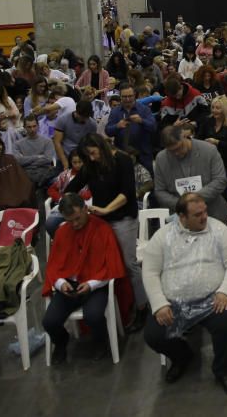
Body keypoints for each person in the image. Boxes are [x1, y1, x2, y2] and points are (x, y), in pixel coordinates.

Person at [142, 192, 227, 393]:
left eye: (205, 211)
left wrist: (226, 291)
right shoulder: (162, 236)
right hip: (174, 303)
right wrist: (159, 303)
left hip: (211, 300)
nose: (204, 217)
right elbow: (150, 270)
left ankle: (223, 369)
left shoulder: (219, 230)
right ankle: (182, 357)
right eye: (197, 215)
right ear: (182, 217)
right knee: (154, 335)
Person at [66, 133, 148, 332]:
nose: (92, 158)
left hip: (123, 218)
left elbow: (126, 193)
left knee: (129, 264)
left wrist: (106, 209)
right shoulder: (91, 165)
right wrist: (77, 206)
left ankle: (142, 307)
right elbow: (72, 187)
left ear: (100, 146)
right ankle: (117, 306)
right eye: (88, 156)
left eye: (93, 153)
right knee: (104, 265)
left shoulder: (122, 160)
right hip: (102, 221)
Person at [41, 193, 127, 364]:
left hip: (96, 283)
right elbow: (53, 265)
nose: (75, 224)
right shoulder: (63, 231)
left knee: (94, 315)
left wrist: (91, 284)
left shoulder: (102, 229)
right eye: (70, 220)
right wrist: (60, 283)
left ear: (86, 209)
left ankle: (100, 342)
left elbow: (112, 266)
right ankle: (61, 343)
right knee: (49, 322)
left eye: (78, 218)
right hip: (70, 285)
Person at [153, 126, 227, 222]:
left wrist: (193, 200)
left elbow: (220, 180)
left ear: (184, 136)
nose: (176, 153)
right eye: (171, 151)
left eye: (179, 147)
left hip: (213, 213)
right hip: (180, 218)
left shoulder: (209, 150)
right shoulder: (161, 159)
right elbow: (160, 191)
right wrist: (182, 204)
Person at [105, 83, 158, 171]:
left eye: (130, 96)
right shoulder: (115, 112)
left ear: (135, 95)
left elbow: (153, 127)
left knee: (148, 182)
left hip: (143, 154)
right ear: (120, 97)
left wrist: (142, 121)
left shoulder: (144, 110)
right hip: (122, 154)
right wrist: (117, 126)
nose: (128, 99)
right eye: (124, 97)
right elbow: (108, 131)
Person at [12, 114, 57, 186]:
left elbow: (48, 159)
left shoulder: (47, 141)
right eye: (29, 127)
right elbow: (18, 161)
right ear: (24, 128)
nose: (32, 129)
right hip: (26, 175)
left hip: (44, 174)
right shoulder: (18, 144)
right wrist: (38, 157)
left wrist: (27, 162)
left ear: (38, 126)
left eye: (34, 126)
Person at [52, 100, 97, 168]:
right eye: (82, 117)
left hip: (82, 159)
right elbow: (57, 142)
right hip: (64, 156)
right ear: (77, 112)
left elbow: (91, 143)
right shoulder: (63, 119)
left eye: (86, 117)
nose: (85, 119)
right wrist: (64, 161)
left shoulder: (92, 124)